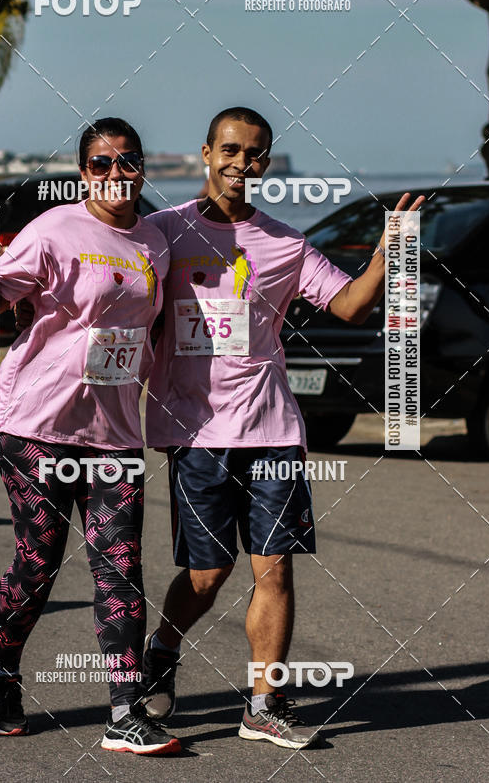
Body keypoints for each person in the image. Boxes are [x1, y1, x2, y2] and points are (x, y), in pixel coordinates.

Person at [140, 106, 424, 749]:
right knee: (207, 576)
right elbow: (116, 284)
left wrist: (390, 251)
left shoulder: (286, 244)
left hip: (272, 430)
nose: (243, 163)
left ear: (266, 162)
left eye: (256, 153)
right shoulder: (164, 232)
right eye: (232, 150)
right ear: (206, 153)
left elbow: (350, 305)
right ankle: (161, 650)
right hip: (198, 435)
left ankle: (264, 703)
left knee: (277, 570)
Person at [0, 118, 180, 755]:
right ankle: (4, 670)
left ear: (142, 167)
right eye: (101, 164)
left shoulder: (155, 242)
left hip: (113, 434)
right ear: (84, 173)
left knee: (121, 569)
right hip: (38, 426)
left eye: (127, 161)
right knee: (38, 563)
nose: (115, 174)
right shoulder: (55, 229)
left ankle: (123, 712)